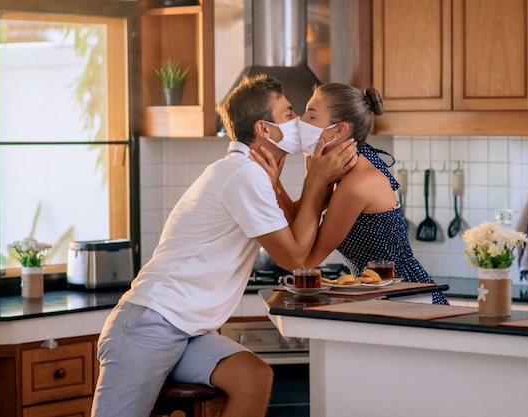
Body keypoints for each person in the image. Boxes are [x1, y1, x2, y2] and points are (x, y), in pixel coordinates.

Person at [90, 74, 358, 417]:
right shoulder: (242, 174)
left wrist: (301, 183)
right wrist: (316, 179)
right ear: (263, 129)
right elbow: (295, 257)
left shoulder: (252, 173)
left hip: (188, 331)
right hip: (150, 324)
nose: (297, 122)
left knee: (252, 376)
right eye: (288, 114)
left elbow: (296, 234)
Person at [255, 83, 448, 304]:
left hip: (407, 297)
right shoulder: (340, 167)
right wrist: (276, 183)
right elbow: (299, 221)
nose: (300, 120)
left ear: (339, 130)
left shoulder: (357, 183)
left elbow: (306, 260)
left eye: (311, 116)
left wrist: (304, 181)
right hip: (379, 296)